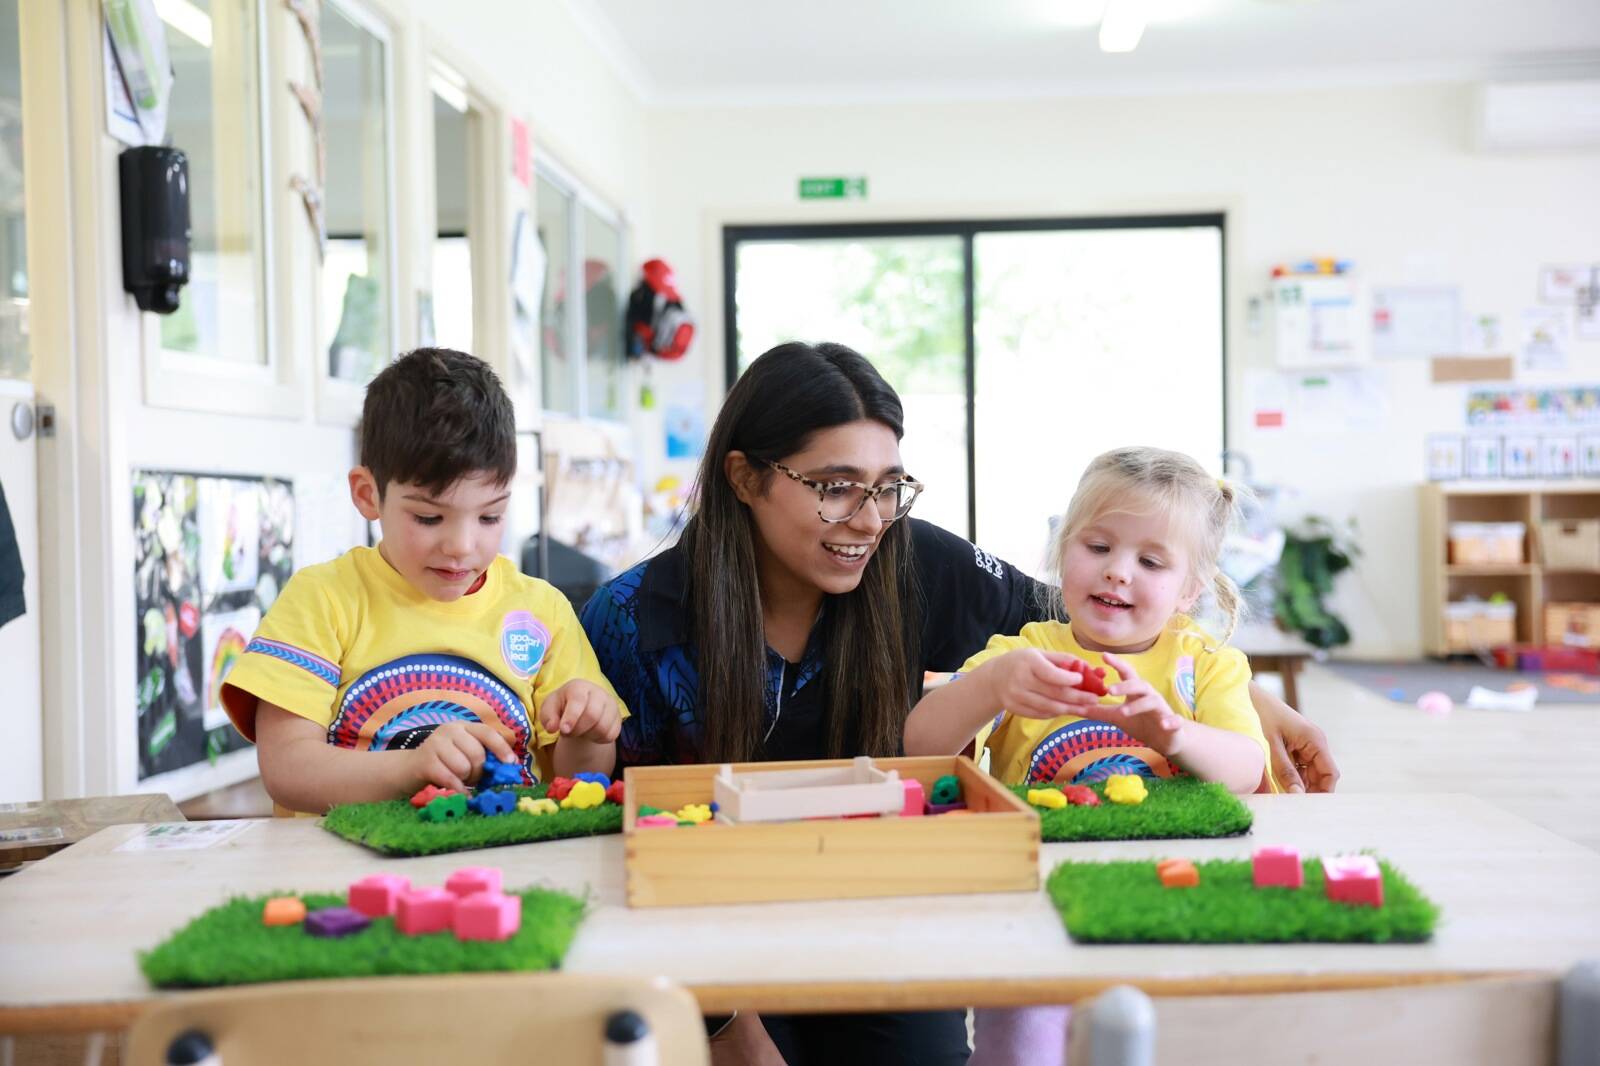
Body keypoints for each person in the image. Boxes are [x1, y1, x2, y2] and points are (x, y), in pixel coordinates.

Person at [581, 342, 1337, 1064]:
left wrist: (1242, 703)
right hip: (715, 946)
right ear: (745, 477)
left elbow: (1090, 617)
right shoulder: (636, 620)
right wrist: (722, 1024)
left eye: (888, 486)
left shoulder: (914, 559)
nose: (871, 519)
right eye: (836, 487)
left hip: (890, 916)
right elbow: (610, 848)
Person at [222, 348, 624, 814]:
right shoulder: (323, 600)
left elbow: (577, 781)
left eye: (490, 515)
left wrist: (589, 729)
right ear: (368, 495)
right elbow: (288, 770)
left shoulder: (542, 611)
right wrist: (415, 768)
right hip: (347, 871)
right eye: (430, 517)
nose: (461, 544)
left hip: (502, 868)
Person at [905, 445, 1268, 793]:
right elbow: (921, 749)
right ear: (1062, 551)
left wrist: (1173, 734)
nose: (1118, 571)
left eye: (1150, 562)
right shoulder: (1022, 656)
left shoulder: (1209, 665)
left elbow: (1247, 773)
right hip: (1043, 854)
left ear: (1190, 591)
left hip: (1174, 857)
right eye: (1098, 547)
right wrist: (992, 686)